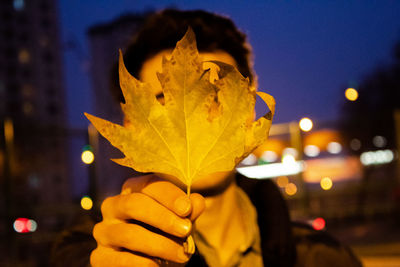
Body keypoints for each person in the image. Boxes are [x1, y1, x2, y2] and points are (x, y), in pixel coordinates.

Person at [51, 9, 362, 267]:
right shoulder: (86, 253)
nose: (196, 118)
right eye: (163, 100)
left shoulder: (323, 258)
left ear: (249, 110)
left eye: (216, 95)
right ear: (132, 124)